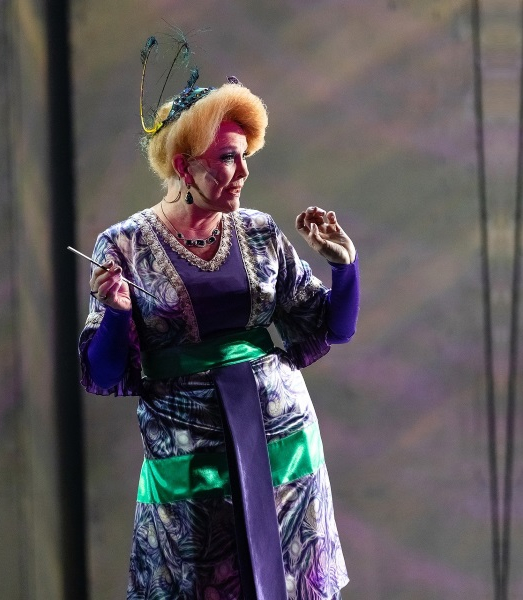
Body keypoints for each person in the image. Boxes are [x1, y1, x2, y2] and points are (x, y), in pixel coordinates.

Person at [79, 46, 359, 600]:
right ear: (185, 166)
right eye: (229, 158)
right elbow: (104, 371)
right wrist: (115, 312)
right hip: (190, 455)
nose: (244, 172)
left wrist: (344, 267)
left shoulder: (259, 231)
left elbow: (332, 326)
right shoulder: (124, 245)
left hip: (283, 448)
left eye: (246, 156)